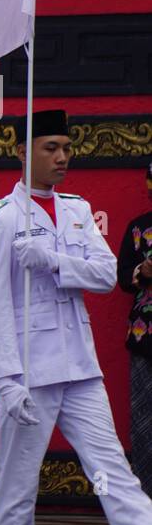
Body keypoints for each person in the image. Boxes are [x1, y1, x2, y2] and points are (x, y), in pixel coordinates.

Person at [0, 108, 152, 525]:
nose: (62, 157)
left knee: (113, 472)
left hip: (78, 365)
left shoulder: (76, 211)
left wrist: (51, 259)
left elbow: (105, 275)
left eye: (66, 148)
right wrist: (5, 379)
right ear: (24, 152)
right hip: (27, 372)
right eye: (50, 148)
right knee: (14, 489)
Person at [117, 161, 152, 498]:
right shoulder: (138, 228)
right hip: (145, 337)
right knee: (143, 422)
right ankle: (146, 498)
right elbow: (123, 277)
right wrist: (142, 270)